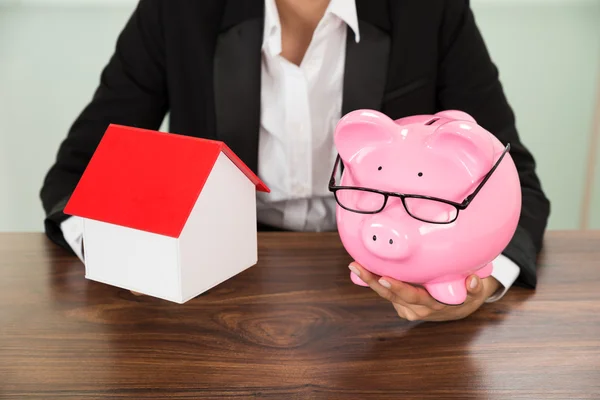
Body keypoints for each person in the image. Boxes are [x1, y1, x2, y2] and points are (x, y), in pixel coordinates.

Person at [40, 0, 550, 322]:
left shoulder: (432, 10)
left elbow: (512, 179)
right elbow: (78, 174)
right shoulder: (175, 10)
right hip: (211, 287)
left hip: (384, 292)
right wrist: (118, 251)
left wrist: (481, 284)